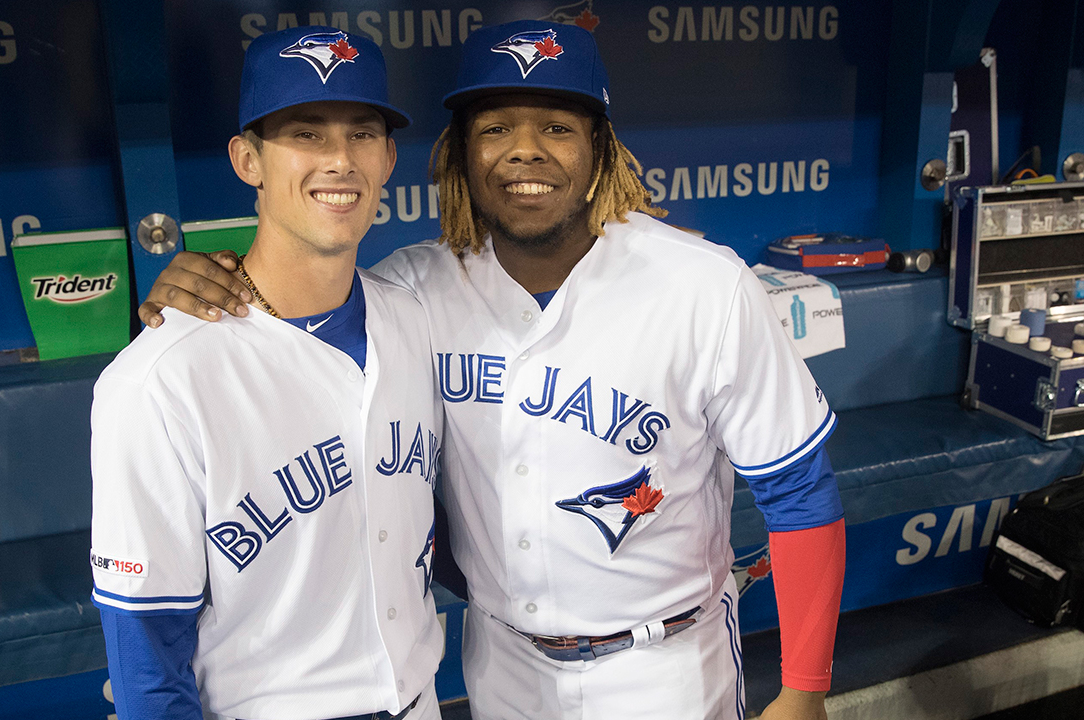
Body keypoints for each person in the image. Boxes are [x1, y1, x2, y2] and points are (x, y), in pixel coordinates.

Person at [141, 20, 846, 720]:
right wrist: (209, 280)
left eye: (558, 128)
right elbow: (298, 301)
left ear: (601, 148)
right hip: (503, 664)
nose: (525, 151)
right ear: (461, 154)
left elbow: (799, 488)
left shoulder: (701, 286)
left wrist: (806, 690)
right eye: (495, 129)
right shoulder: (413, 290)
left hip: (667, 668)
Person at [90, 26, 444, 720]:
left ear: (389, 157)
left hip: (420, 701)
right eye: (305, 134)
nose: (340, 160)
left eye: (362, 133)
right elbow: (145, 649)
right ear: (246, 159)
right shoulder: (159, 379)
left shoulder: (417, 320)